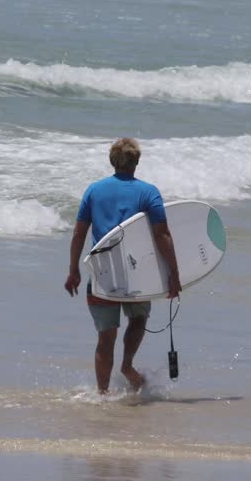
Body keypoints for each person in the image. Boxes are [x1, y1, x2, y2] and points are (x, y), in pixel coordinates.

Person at [65, 138, 181, 395]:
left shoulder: (93, 191)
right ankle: (127, 366)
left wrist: (73, 270)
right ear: (136, 162)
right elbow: (162, 235)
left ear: (112, 161)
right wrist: (174, 273)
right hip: (137, 275)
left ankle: (102, 395)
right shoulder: (148, 192)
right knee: (138, 319)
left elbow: (78, 234)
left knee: (106, 337)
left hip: (102, 274)